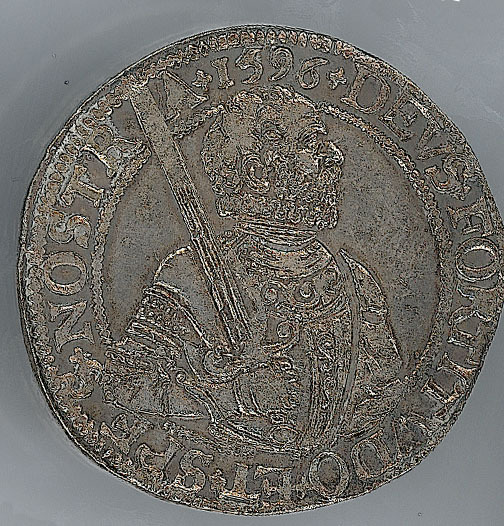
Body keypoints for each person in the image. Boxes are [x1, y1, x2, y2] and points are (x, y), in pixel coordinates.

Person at [103, 85, 403, 454]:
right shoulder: (189, 274)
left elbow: (387, 393)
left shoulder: (354, 281)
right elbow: (126, 388)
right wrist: (239, 395)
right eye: (311, 144)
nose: (334, 156)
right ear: (259, 173)